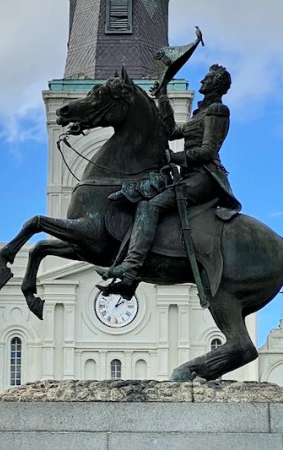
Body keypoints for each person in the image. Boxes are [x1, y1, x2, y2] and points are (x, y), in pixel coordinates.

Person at [97, 64, 241, 297]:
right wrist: (162, 97)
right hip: (189, 175)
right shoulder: (201, 113)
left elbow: (207, 151)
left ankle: (131, 267)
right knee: (143, 198)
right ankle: (132, 273)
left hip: (204, 177)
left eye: (207, 78)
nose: (202, 81)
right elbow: (172, 130)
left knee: (150, 205)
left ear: (217, 84)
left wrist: (174, 157)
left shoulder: (217, 110)